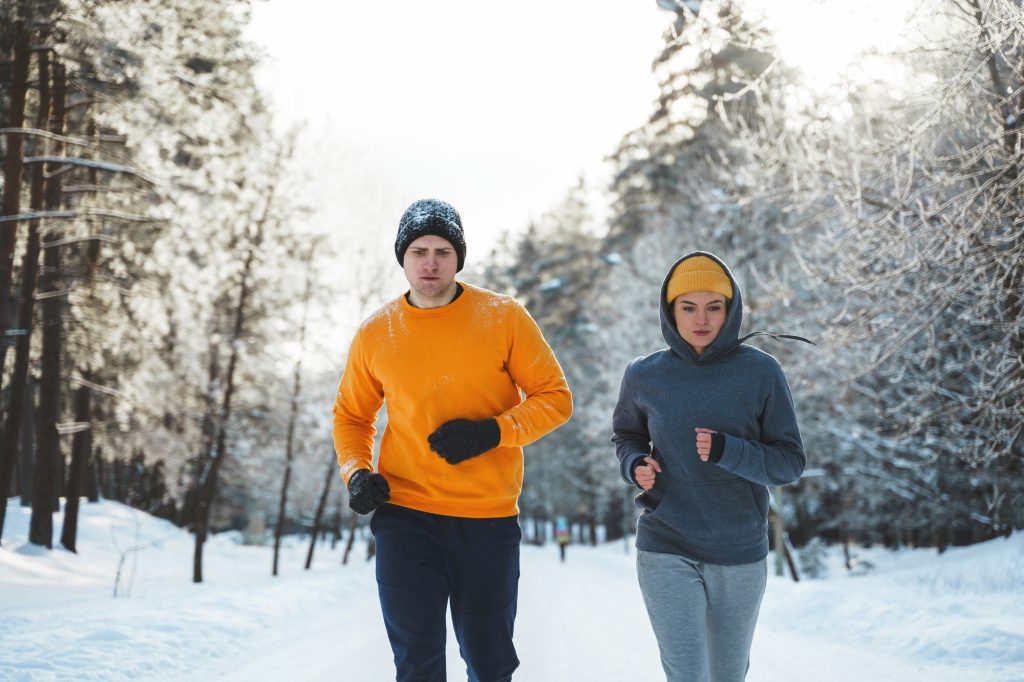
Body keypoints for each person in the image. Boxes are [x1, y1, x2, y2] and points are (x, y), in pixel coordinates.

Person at [332, 198, 572, 682]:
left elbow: (555, 398)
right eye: (419, 250)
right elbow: (351, 416)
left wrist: (494, 431)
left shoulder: (503, 317)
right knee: (417, 664)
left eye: (443, 251)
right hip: (406, 515)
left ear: (458, 257)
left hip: (486, 519)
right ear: (402, 256)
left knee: (489, 664)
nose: (430, 262)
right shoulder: (376, 333)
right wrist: (357, 473)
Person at [611, 251, 807, 682]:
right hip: (666, 542)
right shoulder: (644, 375)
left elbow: (789, 463)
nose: (701, 319)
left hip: (738, 548)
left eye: (713, 307)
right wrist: (634, 464)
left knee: (726, 673)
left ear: (731, 309)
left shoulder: (761, 372)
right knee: (687, 674)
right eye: (688, 307)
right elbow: (626, 435)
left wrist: (728, 451)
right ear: (670, 311)